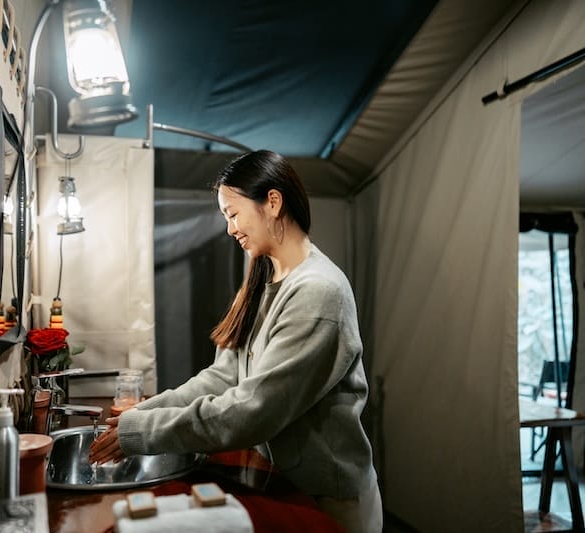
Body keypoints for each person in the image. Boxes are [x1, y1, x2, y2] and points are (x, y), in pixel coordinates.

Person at [89, 149, 382, 532]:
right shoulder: (264, 282)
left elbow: (253, 411)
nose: (230, 228)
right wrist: (141, 414)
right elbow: (222, 379)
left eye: (232, 213)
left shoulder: (319, 292)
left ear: (272, 202)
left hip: (328, 501)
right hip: (280, 485)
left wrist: (143, 432)